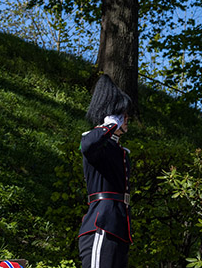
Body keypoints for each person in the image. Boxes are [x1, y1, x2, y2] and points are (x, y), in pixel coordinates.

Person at [78, 74, 133, 268]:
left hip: (118, 225)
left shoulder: (118, 149)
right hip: (101, 223)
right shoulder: (95, 142)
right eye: (122, 114)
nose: (126, 119)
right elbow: (88, 144)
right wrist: (109, 125)